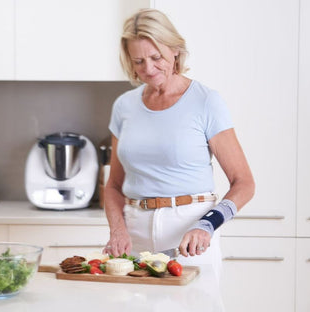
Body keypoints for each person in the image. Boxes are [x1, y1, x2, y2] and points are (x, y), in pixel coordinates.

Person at [103, 8, 255, 279]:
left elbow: (244, 182)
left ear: (174, 50)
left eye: (155, 57)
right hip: (135, 233)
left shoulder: (205, 101)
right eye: (138, 61)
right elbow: (114, 186)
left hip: (191, 236)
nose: (148, 69)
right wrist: (117, 229)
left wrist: (207, 225)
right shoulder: (124, 106)